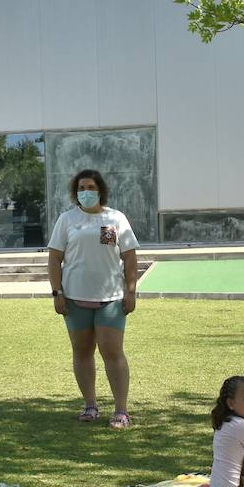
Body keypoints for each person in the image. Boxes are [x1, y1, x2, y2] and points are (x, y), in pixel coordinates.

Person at [46, 169, 139, 429]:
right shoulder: (67, 219)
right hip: (74, 299)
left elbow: (129, 257)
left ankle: (121, 411)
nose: (85, 192)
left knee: (112, 351)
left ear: (100, 191)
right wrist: (57, 293)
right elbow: (54, 258)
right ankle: (90, 406)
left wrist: (131, 291)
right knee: (82, 351)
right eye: (81, 188)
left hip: (111, 299)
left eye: (90, 187)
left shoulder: (116, 218)